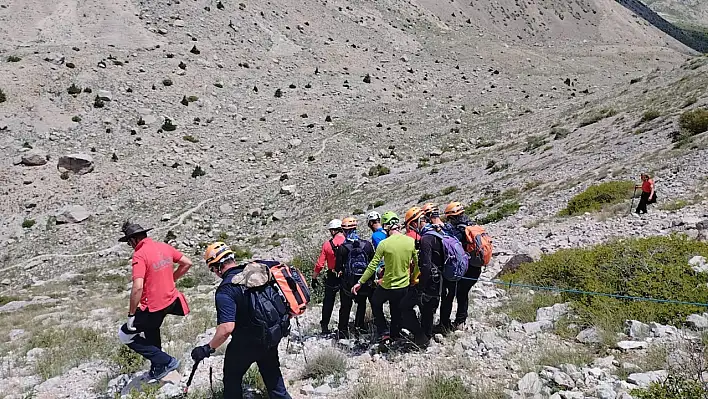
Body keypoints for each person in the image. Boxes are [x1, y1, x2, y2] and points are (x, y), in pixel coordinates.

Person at [190, 242, 292, 399]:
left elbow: (226, 328)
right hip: (271, 335)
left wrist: (207, 349)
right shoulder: (256, 272)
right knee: (272, 374)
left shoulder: (226, 290)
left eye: (212, 269)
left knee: (232, 376)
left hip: (245, 343)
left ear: (216, 267)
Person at [117, 221, 192, 380]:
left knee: (125, 335)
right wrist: (171, 280)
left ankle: (167, 361)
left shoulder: (140, 254)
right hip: (170, 301)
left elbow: (137, 287)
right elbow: (187, 263)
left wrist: (131, 315)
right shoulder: (163, 247)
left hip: (153, 306)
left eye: (129, 242)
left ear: (133, 240)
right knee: (151, 328)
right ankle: (158, 366)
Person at [352, 212, 417, 342]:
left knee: (375, 302)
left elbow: (372, 265)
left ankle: (383, 330)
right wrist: (413, 278)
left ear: (386, 226)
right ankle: (395, 333)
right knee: (395, 308)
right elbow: (416, 263)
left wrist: (360, 281)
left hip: (388, 285)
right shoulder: (410, 241)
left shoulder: (384, 244)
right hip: (404, 285)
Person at [435, 202, 483, 332]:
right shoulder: (472, 225)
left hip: (464, 268)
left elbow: (449, 242)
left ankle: (446, 324)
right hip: (476, 267)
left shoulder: (459, 230)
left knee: (451, 295)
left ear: (453, 217)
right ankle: (460, 321)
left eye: (449, 218)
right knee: (463, 294)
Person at [401, 207, 443, 348]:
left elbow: (425, 266)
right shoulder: (438, 233)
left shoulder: (425, 239)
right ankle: (426, 337)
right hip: (439, 280)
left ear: (414, 223)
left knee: (404, 307)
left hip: (429, 281)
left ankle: (420, 336)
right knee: (428, 310)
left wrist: (419, 288)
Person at [335, 217, 375, 338]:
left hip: (348, 283)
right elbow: (372, 263)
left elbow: (338, 267)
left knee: (345, 307)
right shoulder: (366, 245)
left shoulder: (342, 248)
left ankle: (342, 331)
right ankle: (359, 327)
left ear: (343, 231)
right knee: (361, 303)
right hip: (363, 282)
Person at [312, 219, 346, 334]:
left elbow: (319, 264)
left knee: (328, 302)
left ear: (332, 231)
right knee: (345, 302)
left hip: (332, 275)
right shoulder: (348, 242)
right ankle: (343, 328)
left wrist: (314, 277)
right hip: (346, 275)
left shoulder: (327, 245)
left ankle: (325, 325)